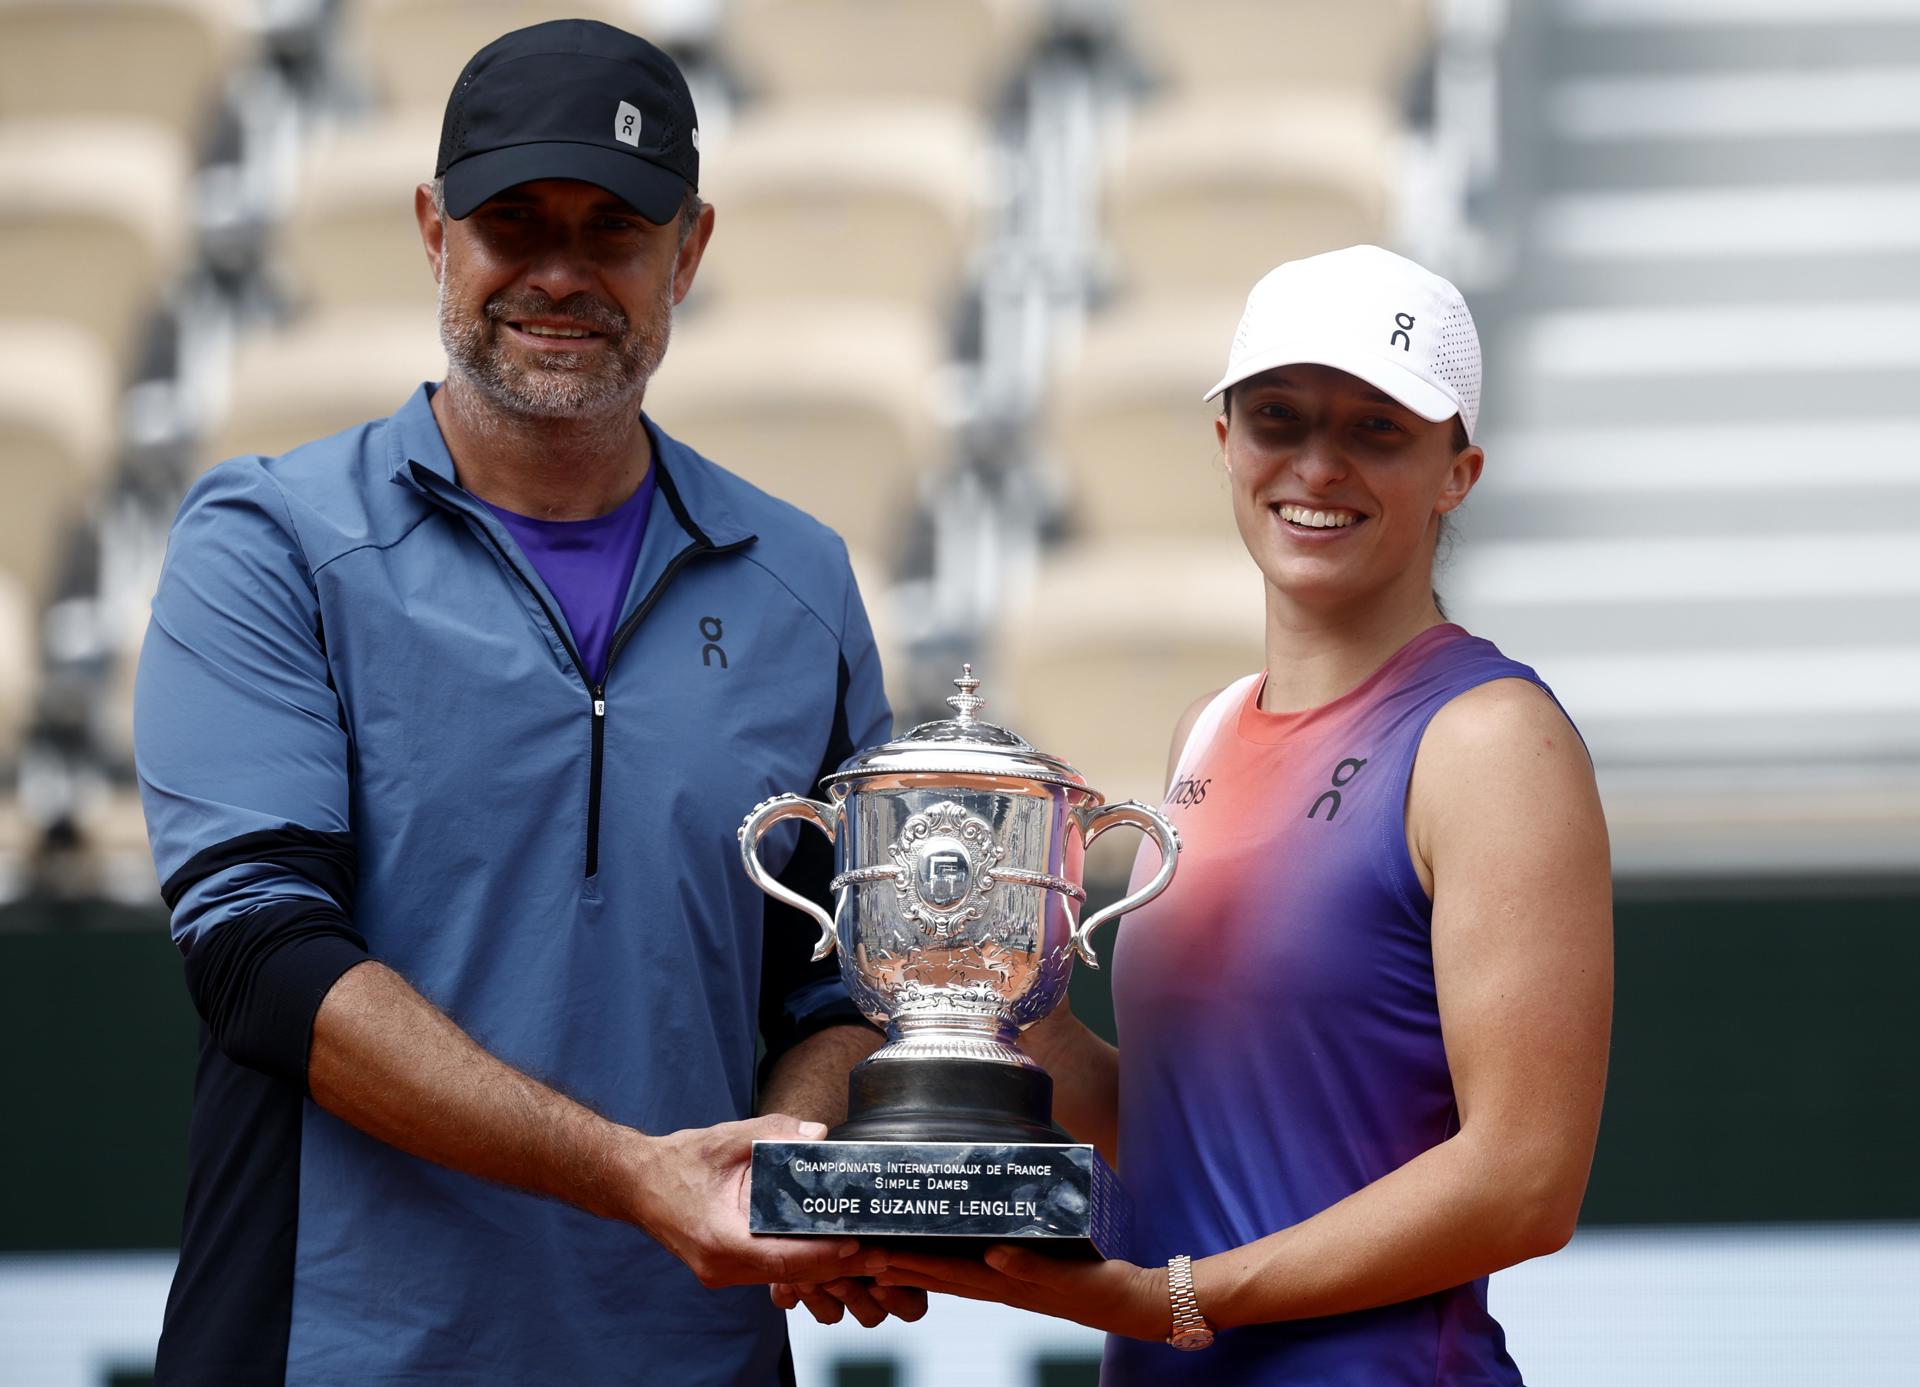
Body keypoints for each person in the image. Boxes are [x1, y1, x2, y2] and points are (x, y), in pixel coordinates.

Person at [133, 20, 922, 1386]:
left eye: (613, 228)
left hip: (693, 1351)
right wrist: (633, 1174)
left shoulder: (802, 579)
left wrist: (793, 1159)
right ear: (435, 231)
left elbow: (837, 984)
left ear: (690, 250)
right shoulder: (265, 540)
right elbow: (262, 959)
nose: (560, 273)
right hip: (334, 1353)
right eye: (514, 222)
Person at [861, 245, 1614, 1382]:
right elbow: (1171, 1128)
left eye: (1377, 430)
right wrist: (983, 979)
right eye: (1278, 418)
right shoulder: (1203, 731)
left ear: (1457, 471)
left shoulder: (1493, 739)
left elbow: (1523, 1178)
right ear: (1226, 443)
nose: (1317, 464)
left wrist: (1179, 1301)